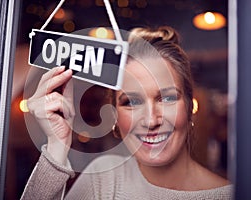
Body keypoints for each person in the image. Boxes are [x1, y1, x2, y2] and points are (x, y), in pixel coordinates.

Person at [21, 26, 233, 199]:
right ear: (114, 116)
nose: (151, 120)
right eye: (131, 102)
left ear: (189, 107)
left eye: (167, 98)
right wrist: (58, 145)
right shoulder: (104, 178)